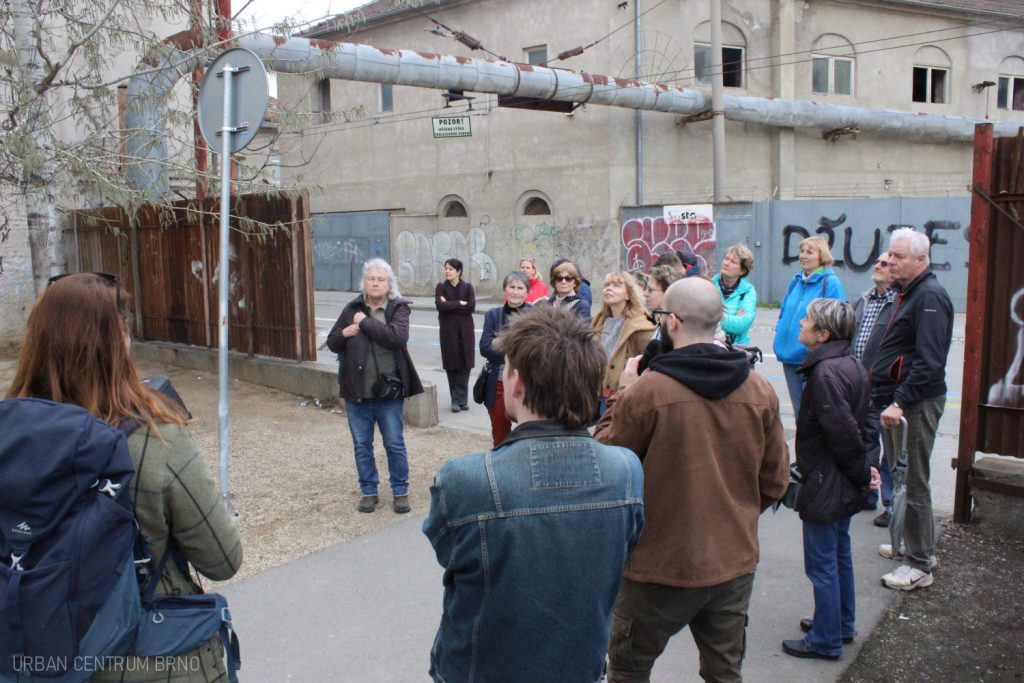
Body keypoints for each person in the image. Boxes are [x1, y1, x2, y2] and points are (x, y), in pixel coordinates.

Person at [6, 273, 243, 682]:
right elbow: (222, 559)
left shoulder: (9, 438)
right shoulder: (155, 439)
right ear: (118, 343)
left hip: (39, 653)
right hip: (152, 656)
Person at [423, 305, 645, 683]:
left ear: (518, 382)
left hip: (481, 669)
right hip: (580, 666)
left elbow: (449, 553)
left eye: (506, 368)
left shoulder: (465, 480)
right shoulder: (625, 470)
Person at [595, 277, 790, 683]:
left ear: (673, 321)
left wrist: (623, 391)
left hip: (655, 566)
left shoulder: (647, 391)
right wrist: (733, 514)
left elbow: (605, 462)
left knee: (628, 672)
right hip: (733, 561)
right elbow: (776, 481)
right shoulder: (759, 389)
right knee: (725, 674)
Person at [782, 299, 870, 661]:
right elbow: (863, 425)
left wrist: (862, 473)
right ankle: (838, 623)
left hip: (827, 480)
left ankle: (826, 639)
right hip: (840, 478)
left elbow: (843, 434)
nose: (801, 323)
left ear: (823, 334)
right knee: (838, 553)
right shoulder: (849, 363)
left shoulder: (825, 374)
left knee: (822, 563)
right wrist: (863, 472)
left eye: (807, 320)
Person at [870, 228, 953, 591]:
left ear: (922, 260)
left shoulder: (929, 296)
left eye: (899, 256)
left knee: (914, 481)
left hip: (914, 403)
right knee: (903, 478)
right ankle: (914, 546)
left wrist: (901, 401)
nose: (890, 261)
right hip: (899, 401)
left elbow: (930, 361)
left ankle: (919, 563)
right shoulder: (907, 292)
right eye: (890, 254)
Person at [327, 258, 424, 514]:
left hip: (388, 395)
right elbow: (332, 342)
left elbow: (396, 338)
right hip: (357, 393)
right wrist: (345, 333)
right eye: (371, 279)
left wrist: (364, 322)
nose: (376, 283)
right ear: (364, 282)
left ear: (389, 284)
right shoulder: (352, 308)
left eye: (381, 279)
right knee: (362, 445)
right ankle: (369, 492)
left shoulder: (398, 308)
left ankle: (400, 491)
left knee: (394, 444)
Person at [773, 236, 847, 417]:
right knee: (800, 412)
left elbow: (836, 322)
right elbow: (784, 311)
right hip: (790, 357)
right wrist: (779, 328)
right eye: (802, 251)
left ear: (821, 256)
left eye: (809, 252)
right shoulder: (796, 280)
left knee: (812, 413)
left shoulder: (830, 283)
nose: (803, 256)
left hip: (811, 359)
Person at [852, 252, 898, 522]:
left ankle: (890, 503)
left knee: (890, 447)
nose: (877, 266)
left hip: (887, 387)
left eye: (884, 263)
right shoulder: (864, 299)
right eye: (877, 262)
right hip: (861, 386)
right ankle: (868, 493)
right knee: (865, 442)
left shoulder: (899, 302)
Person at [479, 271, 532, 446]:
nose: (515, 292)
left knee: (528, 432)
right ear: (505, 289)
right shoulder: (493, 315)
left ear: (527, 292)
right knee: (500, 432)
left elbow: (536, 349)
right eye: (512, 287)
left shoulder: (535, 314)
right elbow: (485, 348)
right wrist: (518, 349)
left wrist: (500, 342)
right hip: (499, 382)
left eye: (520, 288)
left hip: (529, 382)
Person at [592, 270, 654, 414]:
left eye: (616, 285)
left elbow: (651, 364)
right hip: (598, 394)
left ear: (628, 294)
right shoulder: (599, 320)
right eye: (607, 285)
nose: (609, 288)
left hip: (623, 396)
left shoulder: (640, 325)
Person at [435, 258, 476, 413]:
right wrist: (459, 303)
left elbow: (471, 307)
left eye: (451, 269)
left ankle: (460, 400)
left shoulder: (468, 287)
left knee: (465, 363)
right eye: (446, 268)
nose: (447, 271)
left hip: (466, 331)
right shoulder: (441, 287)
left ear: (458, 271)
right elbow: (440, 306)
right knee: (451, 363)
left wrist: (449, 304)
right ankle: (457, 400)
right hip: (448, 331)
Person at [638, 264, 686, 372]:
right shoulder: (660, 320)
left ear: (668, 292)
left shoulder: (677, 327)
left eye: (650, 290)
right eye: (645, 288)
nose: (645, 293)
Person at [713, 243, 758, 345]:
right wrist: (734, 316)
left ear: (742, 270)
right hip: (713, 346)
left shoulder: (747, 291)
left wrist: (716, 318)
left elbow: (743, 324)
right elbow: (703, 318)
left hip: (737, 348)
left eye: (733, 262)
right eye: (726, 258)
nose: (726, 263)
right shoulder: (710, 285)